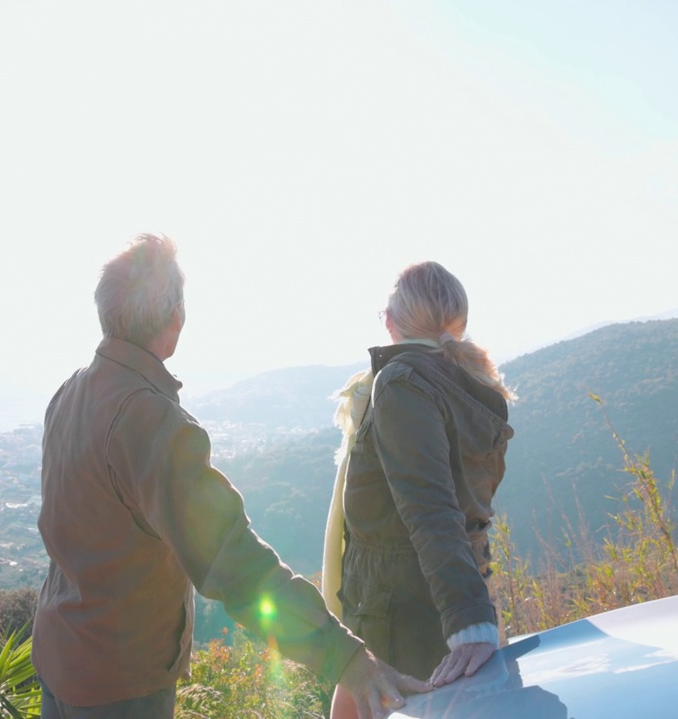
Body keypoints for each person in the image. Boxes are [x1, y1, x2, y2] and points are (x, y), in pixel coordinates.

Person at [32, 234, 429, 719]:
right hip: (120, 684)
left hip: (60, 657)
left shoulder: (70, 393)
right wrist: (347, 659)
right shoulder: (150, 422)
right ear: (175, 318)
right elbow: (235, 563)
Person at [323, 261, 516, 719]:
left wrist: (469, 623)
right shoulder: (469, 382)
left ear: (394, 321)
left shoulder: (402, 383)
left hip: (400, 609)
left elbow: (432, 508)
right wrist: (474, 611)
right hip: (451, 589)